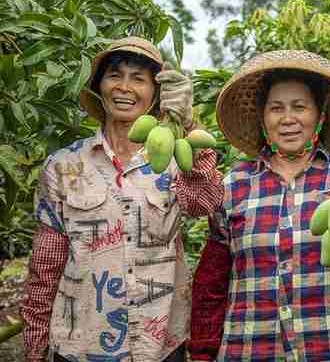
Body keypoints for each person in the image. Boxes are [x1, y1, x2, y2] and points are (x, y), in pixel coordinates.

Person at [187, 50, 330, 361]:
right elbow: (212, 282)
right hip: (248, 348)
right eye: (276, 108)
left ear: (320, 117)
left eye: (299, 107)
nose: (288, 118)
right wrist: (201, 352)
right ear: (263, 119)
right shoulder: (233, 184)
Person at [20, 36, 224, 362]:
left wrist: (188, 123)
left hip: (158, 347)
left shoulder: (174, 160)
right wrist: (34, 347)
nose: (125, 87)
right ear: (100, 86)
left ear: (154, 95)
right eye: (115, 75)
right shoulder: (63, 165)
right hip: (80, 346)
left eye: (139, 79)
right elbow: (45, 266)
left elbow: (205, 203)